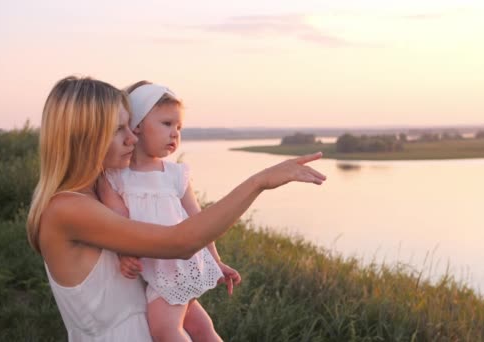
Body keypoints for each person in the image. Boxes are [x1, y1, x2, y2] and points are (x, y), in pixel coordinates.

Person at [26, 76, 326, 341]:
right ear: (85, 136)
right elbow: (180, 242)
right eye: (119, 130)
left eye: (130, 126)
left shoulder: (97, 195)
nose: (133, 137)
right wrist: (258, 182)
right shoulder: (68, 209)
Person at [98, 80, 238, 341]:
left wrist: (216, 261)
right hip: (159, 270)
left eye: (179, 127)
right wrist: (123, 251)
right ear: (137, 125)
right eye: (166, 124)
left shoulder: (174, 174)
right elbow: (116, 219)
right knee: (198, 327)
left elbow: (200, 221)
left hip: (175, 267)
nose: (175, 133)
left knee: (165, 330)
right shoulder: (116, 176)